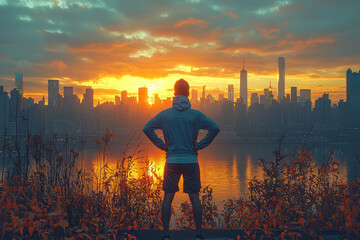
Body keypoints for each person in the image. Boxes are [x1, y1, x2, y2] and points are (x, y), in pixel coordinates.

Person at [143, 79, 220, 240]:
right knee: (194, 198)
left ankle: (165, 235)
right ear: (189, 93)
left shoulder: (165, 115)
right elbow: (215, 128)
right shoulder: (195, 115)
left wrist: (162, 145)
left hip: (171, 161)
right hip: (190, 160)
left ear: (174, 92)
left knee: (168, 197)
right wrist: (199, 145)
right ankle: (199, 234)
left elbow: (147, 128)